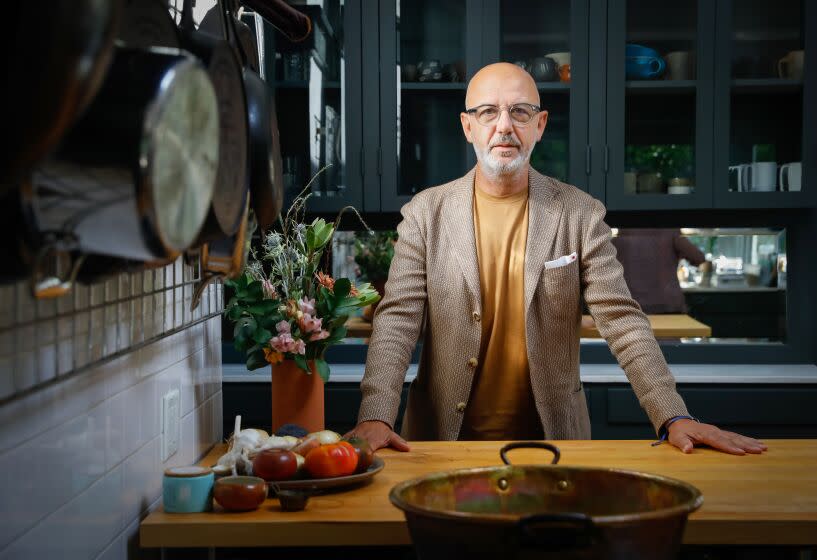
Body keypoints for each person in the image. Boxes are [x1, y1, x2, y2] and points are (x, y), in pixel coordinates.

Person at [346, 63, 766, 457]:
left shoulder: (581, 213)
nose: (504, 126)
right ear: (467, 125)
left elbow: (621, 320)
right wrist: (376, 414)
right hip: (440, 444)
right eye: (488, 112)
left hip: (553, 445)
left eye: (520, 112)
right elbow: (397, 320)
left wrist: (672, 413)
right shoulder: (425, 212)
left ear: (540, 124)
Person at [612, 229, 711, 314]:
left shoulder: (624, 229)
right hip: (666, 304)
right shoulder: (669, 229)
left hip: (632, 304)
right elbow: (698, 257)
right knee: (667, 335)